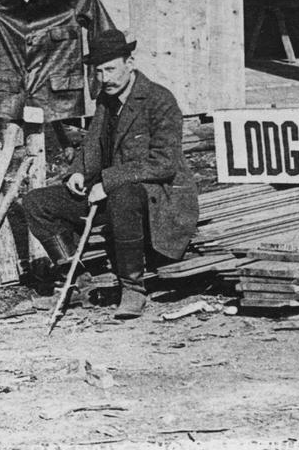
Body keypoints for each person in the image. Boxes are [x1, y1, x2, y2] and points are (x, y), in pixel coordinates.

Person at [21, 29, 199, 318]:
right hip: (111, 191)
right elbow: (93, 144)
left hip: (158, 197)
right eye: (99, 71)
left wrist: (108, 181)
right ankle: (77, 281)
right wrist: (78, 172)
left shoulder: (159, 100)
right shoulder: (107, 99)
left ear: (130, 63)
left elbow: (165, 163)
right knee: (36, 203)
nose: (105, 78)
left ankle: (133, 288)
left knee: (123, 195)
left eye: (111, 69)